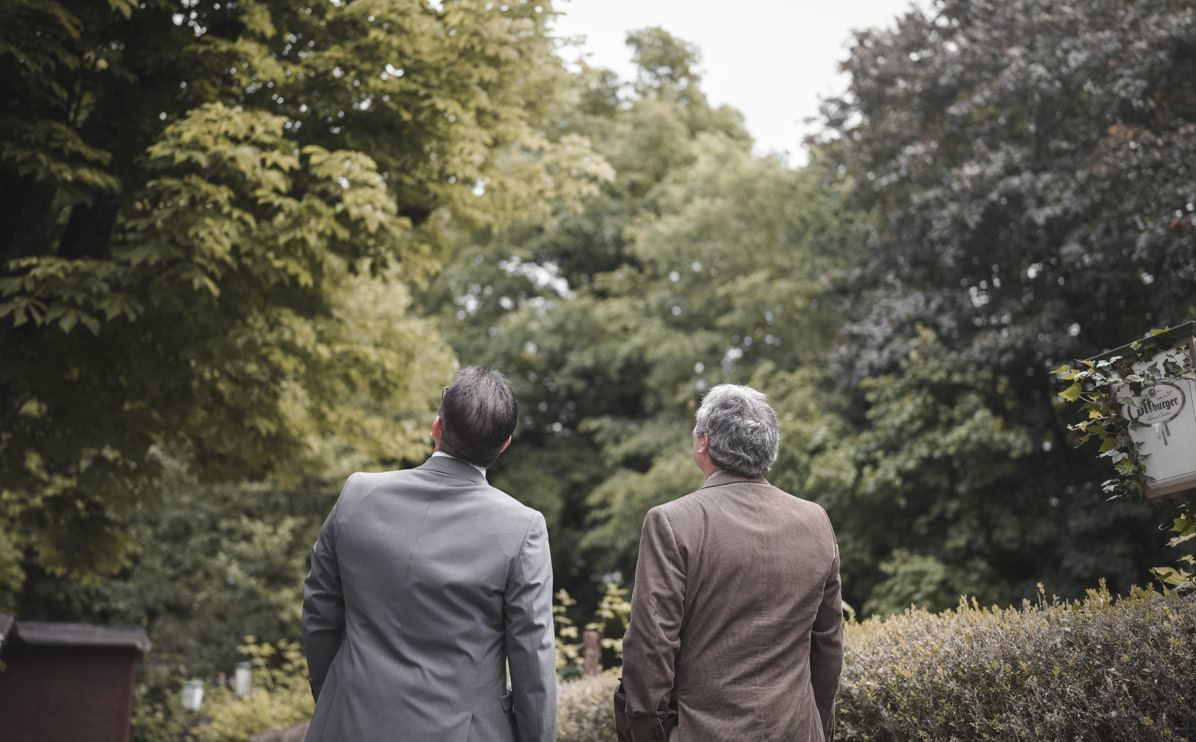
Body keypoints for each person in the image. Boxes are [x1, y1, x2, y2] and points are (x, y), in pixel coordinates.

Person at [302, 366, 556, 742]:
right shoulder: (522, 528)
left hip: (347, 723)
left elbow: (320, 616)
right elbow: (532, 665)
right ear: (505, 444)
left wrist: (337, 699)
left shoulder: (358, 494)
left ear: (437, 427)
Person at [617, 384, 843, 742]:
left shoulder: (673, 522)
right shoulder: (816, 521)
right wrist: (820, 731)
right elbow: (828, 647)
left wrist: (649, 734)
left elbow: (651, 647)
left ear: (703, 442)